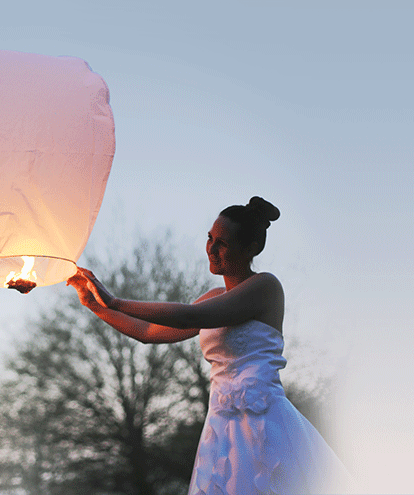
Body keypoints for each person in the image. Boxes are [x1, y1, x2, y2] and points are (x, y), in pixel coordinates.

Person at [67, 197, 349, 494]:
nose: (211, 249)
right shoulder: (214, 295)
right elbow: (148, 331)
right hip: (221, 426)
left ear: (251, 249)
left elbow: (190, 315)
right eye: (210, 239)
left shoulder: (266, 287)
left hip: (263, 423)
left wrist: (115, 300)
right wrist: (96, 306)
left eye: (223, 243)